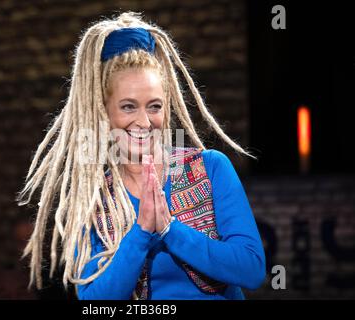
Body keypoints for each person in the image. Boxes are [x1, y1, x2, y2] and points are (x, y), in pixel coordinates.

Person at [17, 11, 265, 300]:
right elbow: (96, 300)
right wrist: (142, 232)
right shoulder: (94, 199)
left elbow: (252, 269)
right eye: (128, 107)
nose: (145, 122)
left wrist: (170, 230)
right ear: (104, 113)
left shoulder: (210, 168)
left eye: (155, 106)